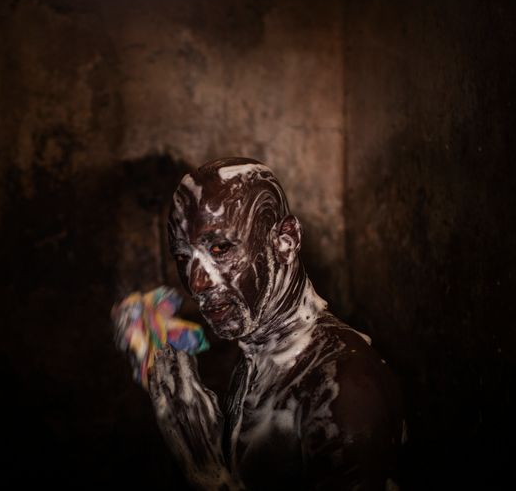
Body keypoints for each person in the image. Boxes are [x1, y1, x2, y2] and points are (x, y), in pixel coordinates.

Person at [148, 157, 404, 490]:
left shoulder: (346, 389)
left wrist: (207, 470)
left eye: (220, 247)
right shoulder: (257, 359)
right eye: (183, 256)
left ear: (285, 240)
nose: (197, 282)